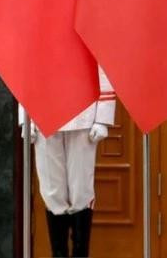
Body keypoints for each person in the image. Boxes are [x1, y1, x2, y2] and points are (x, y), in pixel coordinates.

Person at [20, 66, 116, 257]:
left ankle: (81, 253)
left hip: (82, 111)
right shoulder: (37, 34)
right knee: (51, 191)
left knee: (81, 190)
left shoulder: (89, 32)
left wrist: (102, 117)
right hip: (43, 111)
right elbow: (25, 66)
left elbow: (103, 64)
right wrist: (26, 117)